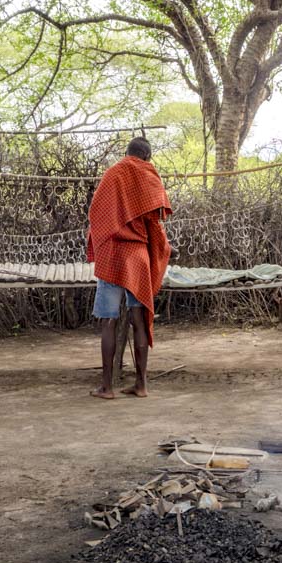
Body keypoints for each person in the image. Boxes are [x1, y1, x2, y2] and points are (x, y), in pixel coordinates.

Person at [86, 136, 173, 399]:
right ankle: (141, 385)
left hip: (113, 254)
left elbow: (95, 213)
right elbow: (155, 221)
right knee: (139, 319)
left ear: (127, 153)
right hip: (137, 256)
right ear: (147, 157)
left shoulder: (113, 174)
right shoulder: (149, 175)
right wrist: (161, 247)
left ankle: (107, 387)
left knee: (108, 320)